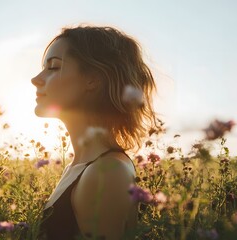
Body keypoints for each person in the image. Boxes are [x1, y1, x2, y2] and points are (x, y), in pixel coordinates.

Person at [31, 25, 158, 240]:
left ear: (93, 79)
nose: (36, 79)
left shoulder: (107, 172)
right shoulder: (82, 167)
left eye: (53, 67)